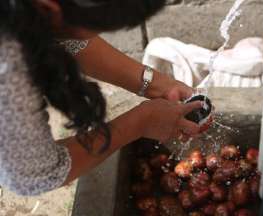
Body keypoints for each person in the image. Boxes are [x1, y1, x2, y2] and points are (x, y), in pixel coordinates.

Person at [0, 0, 203, 196]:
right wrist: (141, 121)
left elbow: (65, 35)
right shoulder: (7, 73)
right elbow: (32, 175)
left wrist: (153, 83)